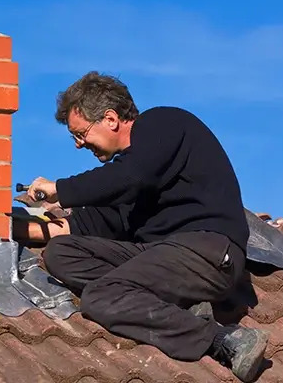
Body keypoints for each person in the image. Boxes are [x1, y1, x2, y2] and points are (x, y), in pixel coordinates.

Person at [26, 71, 268, 382]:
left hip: (206, 251)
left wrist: (60, 187)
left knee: (101, 296)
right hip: (157, 255)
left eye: (80, 133)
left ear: (111, 119)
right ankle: (179, 307)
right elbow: (95, 221)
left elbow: (130, 177)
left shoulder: (162, 125)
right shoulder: (130, 176)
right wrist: (9, 228)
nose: (78, 144)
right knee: (61, 252)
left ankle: (224, 341)